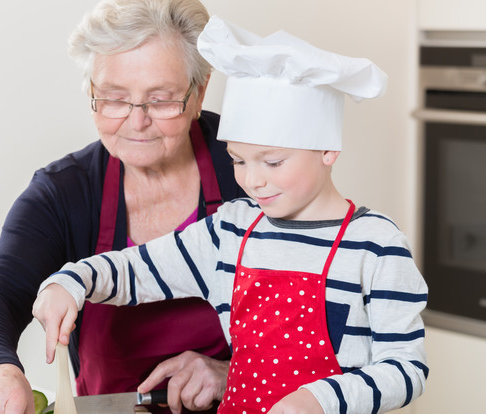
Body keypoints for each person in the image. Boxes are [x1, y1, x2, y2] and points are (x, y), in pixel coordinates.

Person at [33, 16, 429, 414]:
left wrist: (319, 400)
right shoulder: (231, 231)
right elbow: (137, 271)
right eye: (239, 160)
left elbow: (405, 368)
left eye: (272, 162)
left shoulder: (376, 246)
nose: (253, 181)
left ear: (328, 150)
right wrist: (72, 282)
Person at [0, 1, 249, 412]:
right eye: (113, 98)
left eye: (161, 100)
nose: (136, 121)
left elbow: (321, 316)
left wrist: (230, 372)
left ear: (198, 93)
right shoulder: (64, 192)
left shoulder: (254, 169)